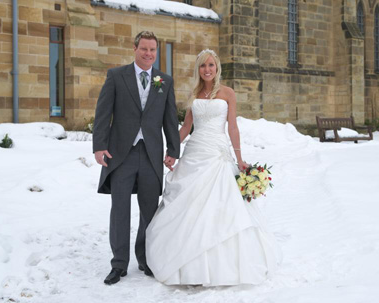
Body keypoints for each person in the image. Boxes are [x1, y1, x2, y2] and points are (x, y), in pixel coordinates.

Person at [146, 49, 282, 286]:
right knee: (189, 203)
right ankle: (184, 258)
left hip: (217, 153)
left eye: (210, 65)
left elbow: (233, 128)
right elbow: (187, 127)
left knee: (220, 205)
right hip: (195, 153)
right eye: (202, 66)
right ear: (198, 69)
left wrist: (239, 160)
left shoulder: (228, 93)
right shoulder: (195, 93)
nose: (207, 69)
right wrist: (173, 152)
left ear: (217, 67)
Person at [93, 31, 180, 285]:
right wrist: (99, 146)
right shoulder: (116, 76)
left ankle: (145, 259)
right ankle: (119, 264)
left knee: (149, 211)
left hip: (151, 154)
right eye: (144, 49)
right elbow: (103, 113)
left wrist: (173, 149)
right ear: (135, 48)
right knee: (120, 209)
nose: (149, 54)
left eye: (153, 50)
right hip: (121, 153)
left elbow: (169, 118)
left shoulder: (164, 81)